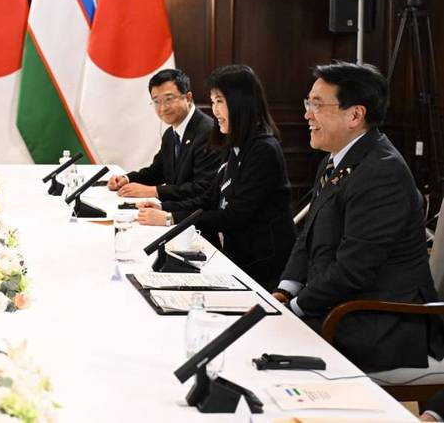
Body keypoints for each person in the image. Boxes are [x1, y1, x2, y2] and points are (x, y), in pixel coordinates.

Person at [274, 61, 444, 371]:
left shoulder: (382, 171)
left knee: (265, 347)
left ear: (355, 115)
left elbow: (353, 270)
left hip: (377, 323)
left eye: (317, 105)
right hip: (336, 306)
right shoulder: (336, 159)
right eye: (308, 103)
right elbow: (307, 237)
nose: (307, 114)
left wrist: (296, 307)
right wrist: (286, 290)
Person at [135, 64, 295, 291]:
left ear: (240, 103)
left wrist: (170, 218)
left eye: (220, 101)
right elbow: (208, 200)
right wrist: (163, 207)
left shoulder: (263, 150)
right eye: (213, 102)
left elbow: (234, 216)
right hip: (235, 257)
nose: (215, 110)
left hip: (261, 267)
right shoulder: (235, 144)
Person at [107, 68, 221, 201]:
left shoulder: (208, 132)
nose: (162, 108)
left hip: (195, 211)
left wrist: (153, 191)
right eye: (156, 101)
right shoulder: (170, 133)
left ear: (188, 98)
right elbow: (158, 171)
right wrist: (127, 179)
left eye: (169, 99)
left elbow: (202, 188)